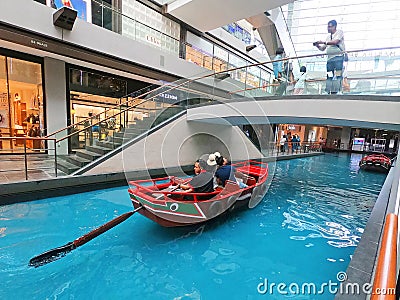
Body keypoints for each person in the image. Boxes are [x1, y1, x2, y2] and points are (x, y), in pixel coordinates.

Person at [313, 20, 345, 94]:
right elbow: (322, 49)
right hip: (330, 59)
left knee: (338, 75)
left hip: (338, 57)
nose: (328, 28)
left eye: (330, 27)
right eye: (328, 26)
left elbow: (335, 42)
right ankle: (328, 91)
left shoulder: (339, 32)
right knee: (329, 75)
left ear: (335, 26)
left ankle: (337, 91)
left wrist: (323, 42)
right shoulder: (328, 37)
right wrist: (318, 45)